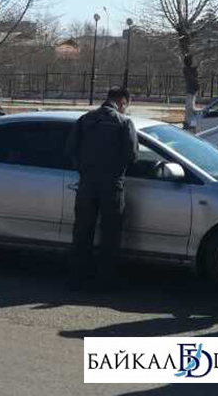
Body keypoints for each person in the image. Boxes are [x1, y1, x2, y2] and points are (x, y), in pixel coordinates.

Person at [65, 86, 138, 291]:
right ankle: (106, 281)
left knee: (82, 231)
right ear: (123, 101)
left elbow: (70, 149)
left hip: (87, 184)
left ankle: (77, 278)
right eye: (126, 105)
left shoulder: (85, 119)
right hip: (112, 186)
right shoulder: (124, 122)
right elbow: (132, 155)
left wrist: (84, 169)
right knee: (111, 233)